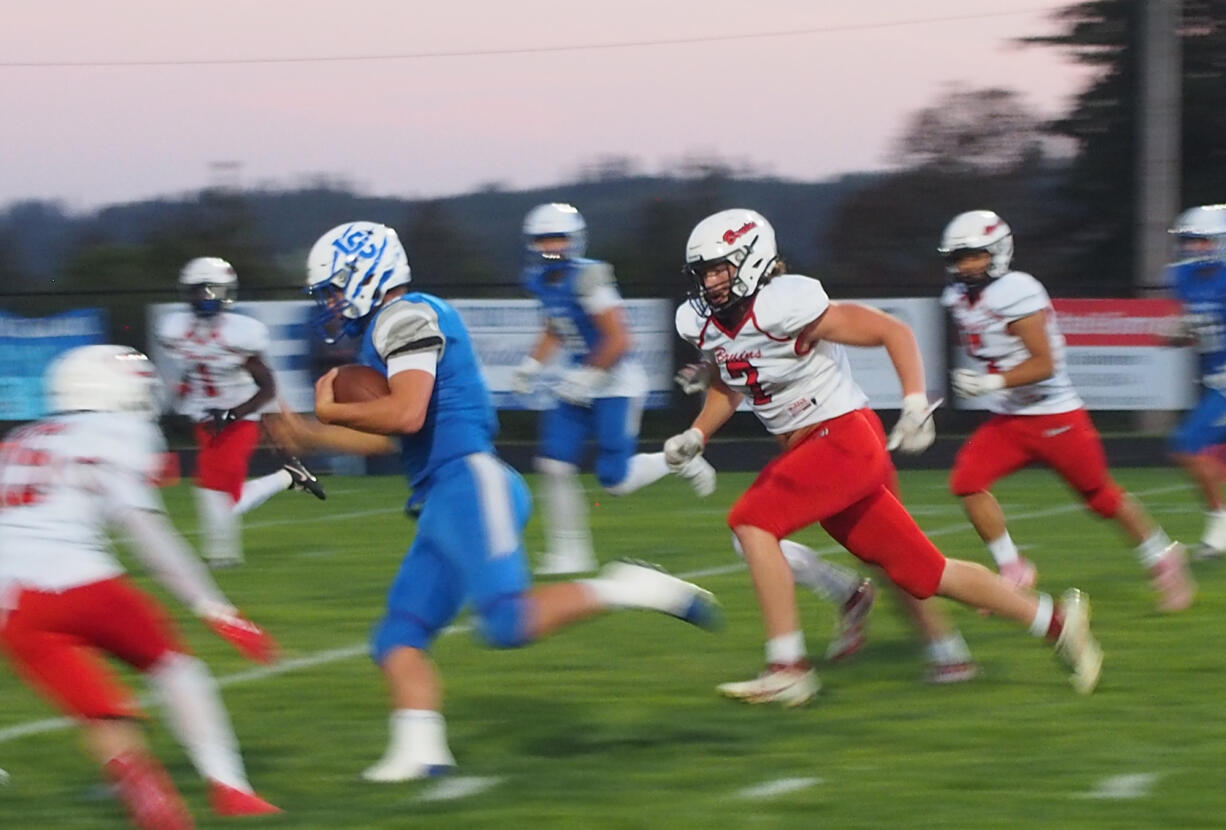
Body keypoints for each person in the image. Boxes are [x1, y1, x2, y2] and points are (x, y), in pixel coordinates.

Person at [274, 220, 722, 782]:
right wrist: (313, 434)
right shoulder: (385, 327)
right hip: (441, 497)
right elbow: (393, 435)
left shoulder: (406, 314)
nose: (332, 302)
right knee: (398, 635)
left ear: (367, 273)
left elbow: (406, 413)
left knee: (505, 623)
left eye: (336, 287)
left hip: (469, 482)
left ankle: (626, 586)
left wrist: (333, 411)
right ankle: (421, 751)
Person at [664, 208, 1104, 706]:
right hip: (819, 452)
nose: (711, 281)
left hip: (841, 439)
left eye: (720, 268)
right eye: (704, 271)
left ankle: (788, 666)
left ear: (751, 260)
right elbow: (731, 378)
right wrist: (697, 433)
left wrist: (915, 402)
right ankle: (1057, 623)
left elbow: (893, 332)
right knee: (925, 573)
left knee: (752, 522)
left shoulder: (786, 304)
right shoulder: (704, 322)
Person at [0, 345, 281, 830]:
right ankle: (230, 787)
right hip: (82, 582)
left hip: (12, 607)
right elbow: (147, 531)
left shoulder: (21, 437)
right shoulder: (119, 431)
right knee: (174, 667)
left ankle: (155, 806)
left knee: (104, 715)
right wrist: (214, 608)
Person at [939, 210, 1195, 612]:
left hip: (1054, 416)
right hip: (1011, 418)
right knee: (967, 482)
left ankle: (1163, 556)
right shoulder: (956, 298)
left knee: (1100, 497)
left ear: (997, 251)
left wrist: (990, 383)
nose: (966, 265)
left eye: (974, 255)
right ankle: (1013, 569)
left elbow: (1044, 364)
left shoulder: (1016, 291)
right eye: (959, 258)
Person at [675, 361, 977, 684]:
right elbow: (751, 365)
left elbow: (882, 331)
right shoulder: (740, 325)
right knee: (755, 532)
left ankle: (805, 647)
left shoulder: (779, 316)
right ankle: (946, 646)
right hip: (824, 438)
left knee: (887, 552)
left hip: (839, 436)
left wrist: (915, 399)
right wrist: (717, 373)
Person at [512, 203, 716, 574]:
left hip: (615, 383)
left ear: (575, 241)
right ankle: (570, 552)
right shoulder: (540, 280)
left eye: (558, 239)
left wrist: (588, 376)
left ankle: (677, 460)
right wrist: (531, 365)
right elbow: (556, 326)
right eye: (543, 240)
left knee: (615, 482)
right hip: (578, 381)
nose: (551, 247)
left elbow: (619, 339)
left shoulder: (590, 278)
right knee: (553, 465)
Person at [155, 256, 325, 568]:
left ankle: (284, 480)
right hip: (206, 416)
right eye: (197, 292)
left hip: (240, 416)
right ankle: (223, 555)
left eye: (210, 291)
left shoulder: (239, 334)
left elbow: (267, 387)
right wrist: (180, 397)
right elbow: (191, 370)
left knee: (221, 494)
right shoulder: (177, 330)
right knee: (209, 488)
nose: (203, 299)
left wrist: (233, 414)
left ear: (225, 292)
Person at [1165, 204, 1226, 559]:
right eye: (1190, 241)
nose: (1195, 248)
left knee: (1187, 444)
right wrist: (1180, 333)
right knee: (1204, 453)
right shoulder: (1182, 278)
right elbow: (1192, 334)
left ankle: (1220, 521)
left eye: (1203, 241)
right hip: (1212, 380)